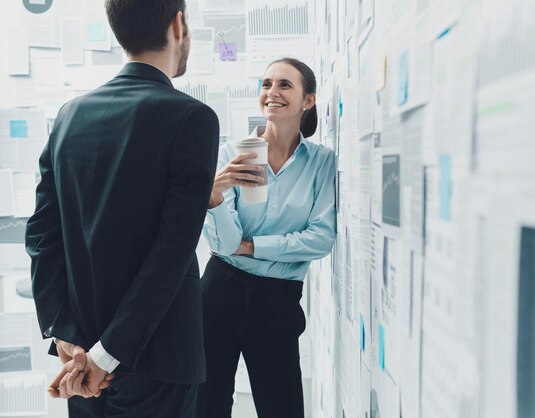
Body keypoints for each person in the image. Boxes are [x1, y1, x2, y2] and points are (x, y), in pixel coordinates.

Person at [24, 0, 220, 416]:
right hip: (158, 362)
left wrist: (68, 337)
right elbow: (171, 254)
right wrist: (104, 354)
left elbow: (42, 236)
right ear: (179, 25)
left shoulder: (69, 116)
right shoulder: (193, 118)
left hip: (80, 362)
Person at [195, 57, 337, 418]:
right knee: (206, 408)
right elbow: (226, 245)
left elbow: (320, 238)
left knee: (284, 409)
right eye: (266, 84)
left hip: (277, 302)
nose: (272, 93)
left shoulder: (321, 163)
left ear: (308, 100)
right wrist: (213, 196)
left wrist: (254, 246)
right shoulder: (234, 154)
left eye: (285, 85)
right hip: (219, 293)